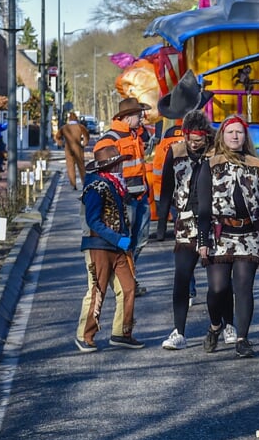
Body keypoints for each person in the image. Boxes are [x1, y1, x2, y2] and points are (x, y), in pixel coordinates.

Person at [195, 116, 259, 357]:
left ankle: (242, 338)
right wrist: (202, 240)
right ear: (222, 135)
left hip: (248, 234)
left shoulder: (256, 165)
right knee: (218, 288)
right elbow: (204, 205)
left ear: (245, 136)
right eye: (230, 132)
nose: (235, 136)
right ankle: (215, 326)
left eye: (239, 132)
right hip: (219, 233)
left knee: (243, 288)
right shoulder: (211, 163)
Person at [75, 145, 144, 351]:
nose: (121, 167)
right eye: (118, 163)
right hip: (98, 246)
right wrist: (117, 238)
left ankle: (122, 333)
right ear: (110, 166)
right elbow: (93, 221)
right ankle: (84, 335)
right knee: (98, 290)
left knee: (128, 288)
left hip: (117, 247)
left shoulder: (114, 185)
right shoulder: (96, 186)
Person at [161, 111, 215, 350]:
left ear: (206, 137)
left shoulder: (216, 153)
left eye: (198, 139)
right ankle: (179, 331)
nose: (194, 144)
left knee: (220, 282)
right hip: (184, 222)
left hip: (214, 223)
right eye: (190, 139)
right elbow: (166, 188)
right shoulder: (175, 152)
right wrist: (162, 224)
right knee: (181, 277)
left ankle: (224, 323)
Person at [94, 98, 154, 294]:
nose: (142, 119)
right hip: (124, 200)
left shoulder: (135, 135)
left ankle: (127, 277)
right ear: (128, 118)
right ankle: (127, 282)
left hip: (141, 197)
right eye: (139, 116)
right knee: (126, 241)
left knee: (141, 239)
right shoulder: (110, 140)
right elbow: (102, 169)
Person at [149, 118, 187, 240]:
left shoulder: (166, 136)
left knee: (163, 210)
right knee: (181, 208)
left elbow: (158, 161)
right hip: (183, 179)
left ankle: (161, 233)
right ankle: (181, 232)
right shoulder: (190, 137)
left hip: (164, 178)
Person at [57, 111, 90, 190]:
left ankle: (73, 184)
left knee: (70, 167)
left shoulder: (64, 128)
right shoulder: (80, 126)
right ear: (76, 118)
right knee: (81, 166)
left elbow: (57, 137)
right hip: (78, 148)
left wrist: (61, 144)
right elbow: (86, 135)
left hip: (68, 149)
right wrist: (84, 143)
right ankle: (84, 183)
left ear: (69, 119)